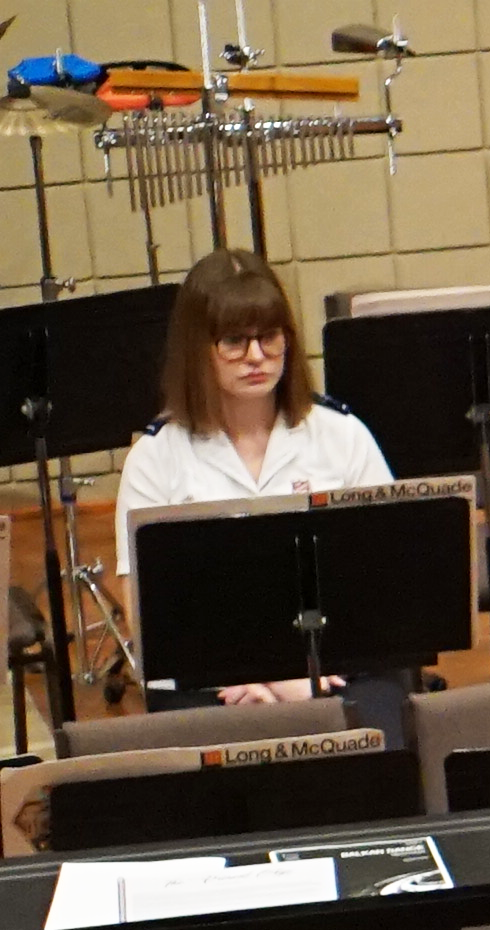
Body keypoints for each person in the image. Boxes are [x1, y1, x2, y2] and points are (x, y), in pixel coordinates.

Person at [112, 249, 411, 741]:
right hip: (206, 677)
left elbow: (387, 573)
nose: (255, 357)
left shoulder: (343, 433)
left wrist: (307, 676)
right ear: (197, 349)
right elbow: (145, 611)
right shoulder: (154, 456)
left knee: (384, 749)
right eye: (233, 341)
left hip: (338, 663)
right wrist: (263, 678)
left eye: (269, 337)